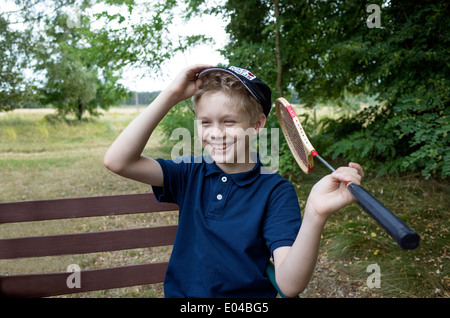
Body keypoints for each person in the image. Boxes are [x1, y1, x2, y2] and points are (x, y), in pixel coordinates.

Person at [103, 64, 364, 298]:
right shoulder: (190, 171)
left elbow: (289, 284)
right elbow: (118, 161)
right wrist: (171, 95)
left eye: (229, 121)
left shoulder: (275, 191)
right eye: (205, 122)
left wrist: (315, 213)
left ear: (258, 124)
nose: (216, 133)